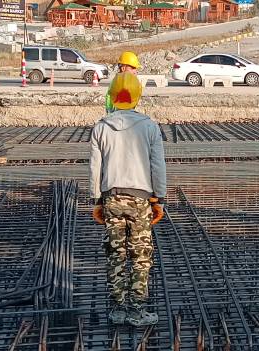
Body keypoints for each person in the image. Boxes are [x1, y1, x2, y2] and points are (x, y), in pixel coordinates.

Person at [90, 72, 167, 326]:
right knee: (140, 256)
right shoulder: (149, 127)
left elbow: (95, 168)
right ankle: (137, 312)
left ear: (113, 96)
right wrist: (160, 199)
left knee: (116, 254)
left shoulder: (101, 128)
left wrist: (96, 200)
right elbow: (158, 166)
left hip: (111, 199)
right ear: (137, 97)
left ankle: (117, 310)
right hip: (141, 201)